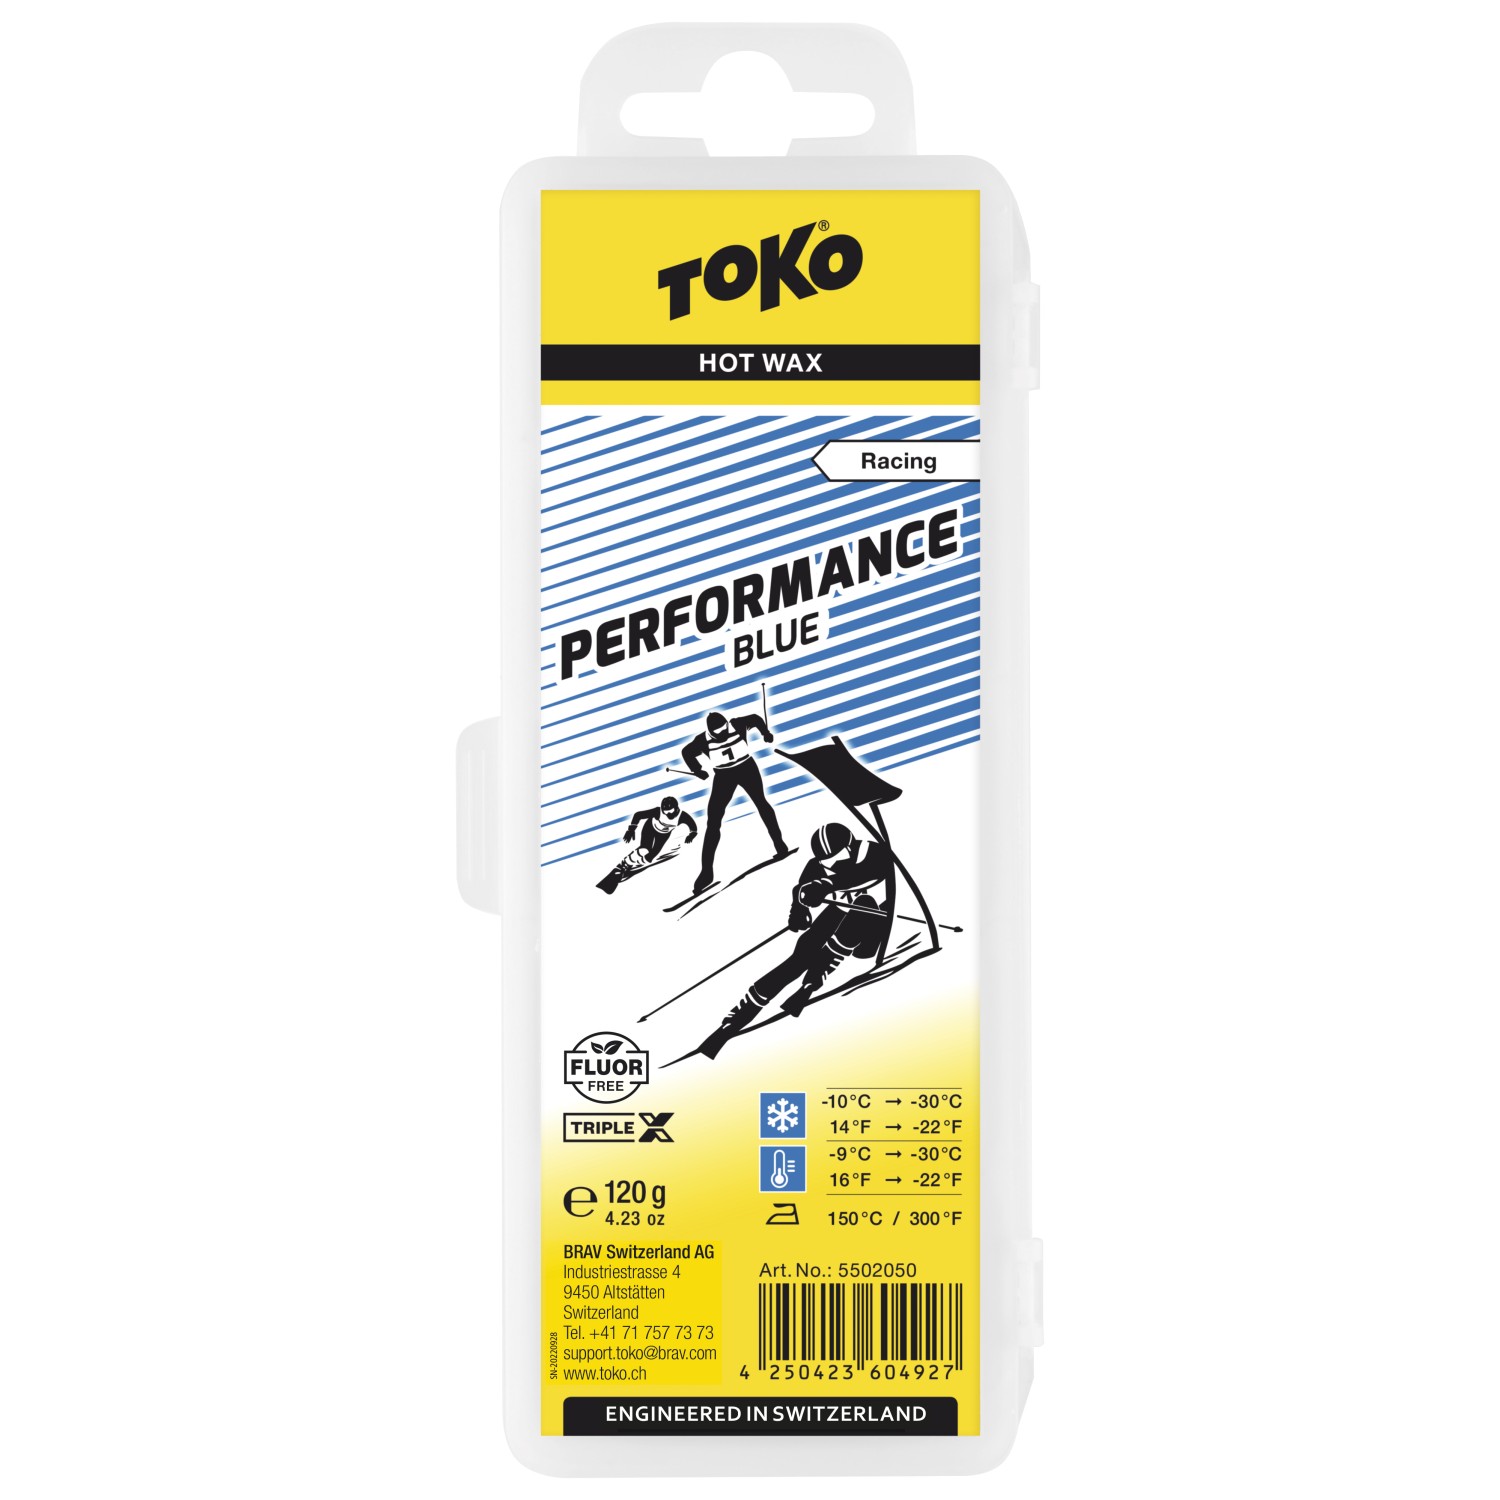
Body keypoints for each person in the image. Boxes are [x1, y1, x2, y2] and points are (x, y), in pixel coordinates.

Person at [699, 822, 894, 1058]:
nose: (831, 867)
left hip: (873, 925)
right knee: (803, 952)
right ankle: (739, 1017)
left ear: (850, 847)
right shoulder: (817, 865)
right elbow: (801, 889)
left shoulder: (873, 852)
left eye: (836, 860)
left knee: (862, 909)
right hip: (842, 911)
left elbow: (868, 874)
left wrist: (827, 885)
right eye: (826, 863)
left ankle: (817, 975)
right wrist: (798, 911)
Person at [681, 710, 788, 894]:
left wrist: (765, 733)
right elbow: (687, 752)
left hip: (747, 768)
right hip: (724, 776)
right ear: (710, 731)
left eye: (724, 728)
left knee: (761, 803)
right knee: (713, 822)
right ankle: (707, 872)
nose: (723, 733)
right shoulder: (702, 740)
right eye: (718, 732)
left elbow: (755, 718)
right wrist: (697, 770)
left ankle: (779, 844)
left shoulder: (738, 724)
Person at [596, 796, 696, 894]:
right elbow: (638, 815)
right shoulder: (657, 811)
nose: (667, 815)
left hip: (663, 835)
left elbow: (693, 827)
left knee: (650, 857)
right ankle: (623, 865)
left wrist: (692, 835)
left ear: (676, 808)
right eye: (665, 812)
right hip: (650, 828)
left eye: (670, 812)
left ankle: (636, 864)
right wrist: (631, 830)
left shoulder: (683, 816)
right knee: (644, 849)